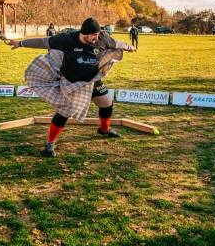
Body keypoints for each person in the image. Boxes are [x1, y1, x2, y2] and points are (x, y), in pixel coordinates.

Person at [9, 17, 134, 157]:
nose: (96, 37)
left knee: (107, 103)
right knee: (65, 111)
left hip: (91, 80)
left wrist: (129, 47)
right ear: (84, 34)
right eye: (94, 35)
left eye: (98, 34)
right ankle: (50, 144)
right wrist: (20, 43)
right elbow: (43, 42)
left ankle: (105, 129)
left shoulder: (102, 38)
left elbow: (116, 43)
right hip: (72, 83)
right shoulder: (67, 39)